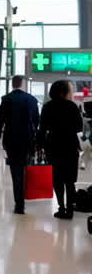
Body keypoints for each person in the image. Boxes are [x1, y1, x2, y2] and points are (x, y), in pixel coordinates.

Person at [0, 75, 40, 214]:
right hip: (28, 139)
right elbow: (36, 121)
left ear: (13, 84)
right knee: (27, 169)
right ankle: (26, 196)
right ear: (23, 84)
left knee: (16, 171)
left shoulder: (6, 99)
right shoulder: (31, 99)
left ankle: (19, 204)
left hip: (11, 139)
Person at [38, 81, 84, 219]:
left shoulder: (47, 107)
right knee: (70, 181)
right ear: (63, 91)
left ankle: (61, 208)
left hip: (53, 146)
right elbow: (79, 128)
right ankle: (70, 210)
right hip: (70, 146)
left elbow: (42, 129)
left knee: (57, 179)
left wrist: (39, 146)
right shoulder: (72, 106)